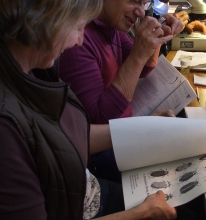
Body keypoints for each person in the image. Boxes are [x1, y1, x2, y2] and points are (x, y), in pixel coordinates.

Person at [0, 0, 178, 219]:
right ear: (42, 21)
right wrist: (140, 213)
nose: (80, 40)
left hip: (85, 190)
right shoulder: (5, 126)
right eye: (77, 27)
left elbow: (68, 136)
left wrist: (143, 127)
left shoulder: (32, 71)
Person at [58, 0, 185, 182]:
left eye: (144, 3)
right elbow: (100, 119)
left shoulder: (111, 26)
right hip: (101, 152)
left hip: (124, 130)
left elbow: (142, 69)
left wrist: (157, 37)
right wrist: (140, 53)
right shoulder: (79, 41)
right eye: (134, 1)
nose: (141, 13)